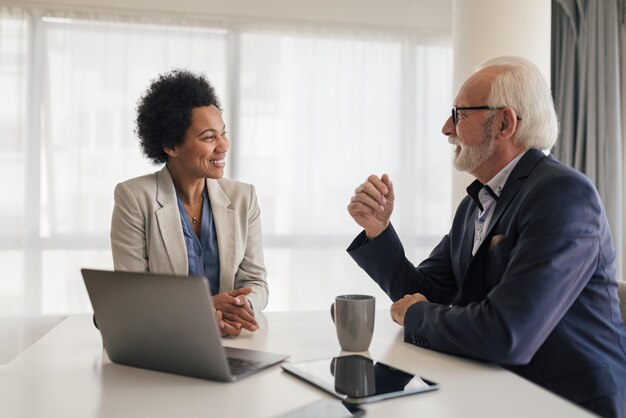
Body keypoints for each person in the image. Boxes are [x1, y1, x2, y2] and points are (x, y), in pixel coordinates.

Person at [347, 56, 626, 417]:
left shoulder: (564, 195)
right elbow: (421, 291)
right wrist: (378, 229)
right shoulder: (475, 204)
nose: (446, 128)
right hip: (494, 388)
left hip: (566, 403)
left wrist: (417, 315)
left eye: (459, 114)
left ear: (505, 123)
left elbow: (507, 334)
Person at [111, 69, 268, 337]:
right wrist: (204, 309)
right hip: (166, 341)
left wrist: (240, 307)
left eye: (223, 133)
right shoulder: (134, 198)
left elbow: (256, 282)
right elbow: (133, 296)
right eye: (209, 137)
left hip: (231, 341)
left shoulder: (244, 197)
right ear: (172, 146)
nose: (223, 145)